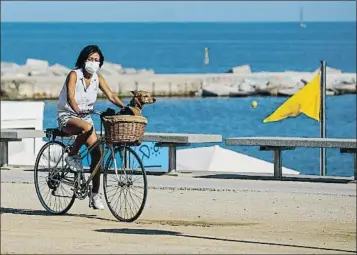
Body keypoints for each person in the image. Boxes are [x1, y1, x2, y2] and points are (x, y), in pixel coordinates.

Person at [56, 45, 125, 210]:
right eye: (91, 59)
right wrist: (77, 110)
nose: (93, 63)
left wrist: (125, 108)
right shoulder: (74, 75)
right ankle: (72, 155)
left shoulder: (97, 77)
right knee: (86, 127)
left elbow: (111, 95)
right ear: (83, 59)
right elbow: (71, 97)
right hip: (68, 116)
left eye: (97, 60)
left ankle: (94, 194)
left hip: (85, 118)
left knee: (98, 153)